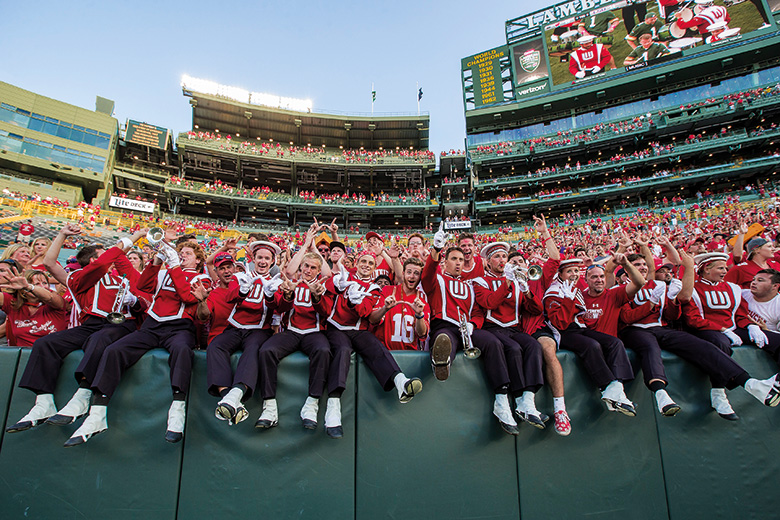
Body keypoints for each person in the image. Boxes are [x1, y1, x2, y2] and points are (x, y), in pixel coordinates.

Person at [63, 238, 209, 446]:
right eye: (181, 252)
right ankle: (98, 410)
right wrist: (157, 261)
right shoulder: (165, 272)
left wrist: (174, 264)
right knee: (115, 350)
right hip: (152, 324)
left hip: (179, 326)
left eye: (188, 254)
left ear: (198, 260)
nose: (183, 255)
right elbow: (144, 286)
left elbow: (187, 296)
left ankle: (178, 408)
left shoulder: (202, 277)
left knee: (182, 350)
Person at [5, 224, 146, 434]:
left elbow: (144, 305)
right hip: (91, 324)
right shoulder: (79, 278)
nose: (111, 258)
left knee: (100, 339)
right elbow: (50, 263)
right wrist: (62, 234)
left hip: (120, 324)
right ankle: (44, 402)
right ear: (92, 261)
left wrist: (134, 300)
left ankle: (83, 394)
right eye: (103, 255)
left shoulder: (124, 277)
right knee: (46, 343)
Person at [322, 250, 423, 438]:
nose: (366, 265)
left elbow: (365, 312)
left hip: (359, 330)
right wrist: (337, 284)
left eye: (370, 263)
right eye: (363, 261)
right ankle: (333, 409)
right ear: (357, 263)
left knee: (374, 344)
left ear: (374, 267)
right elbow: (326, 288)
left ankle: (400, 381)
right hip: (337, 327)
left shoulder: (375, 289)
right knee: (342, 350)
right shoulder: (344, 277)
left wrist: (353, 302)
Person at [682, 253, 780, 419]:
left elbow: (740, 314)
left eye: (725, 267)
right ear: (706, 269)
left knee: (775, 339)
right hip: (706, 329)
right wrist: (722, 329)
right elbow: (692, 319)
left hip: (734, 328)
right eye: (720, 268)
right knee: (720, 343)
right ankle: (718, 393)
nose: (725, 271)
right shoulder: (692, 288)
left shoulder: (733, 288)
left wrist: (751, 326)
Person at [544, 257, 637, 415]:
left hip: (578, 328)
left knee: (614, 342)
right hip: (563, 333)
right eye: (569, 271)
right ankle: (607, 387)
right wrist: (567, 300)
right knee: (591, 346)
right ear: (560, 274)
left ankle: (618, 390)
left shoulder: (574, 288)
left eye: (575, 271)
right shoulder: (553, 292)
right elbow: (561, 323)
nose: (573, 274)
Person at [473, 242, 547, 433]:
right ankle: (510, 399)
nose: (501, 260)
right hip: (492, 328)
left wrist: (526, 290)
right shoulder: (480, 281)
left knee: (533, 345)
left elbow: (537, 309)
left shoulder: (516, 282)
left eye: (504, 257)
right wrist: (507, 282)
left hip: (513, 329)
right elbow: (489, 302)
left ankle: (528, 400)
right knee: (513, 348)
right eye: (496, 257)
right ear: (488, 262)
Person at [209, 241, 285, 426]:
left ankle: (236, 393)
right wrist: (242, 290)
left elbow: (280, 306)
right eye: (260, 257)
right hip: (235, 327)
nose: (263, 261)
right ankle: (229, 398)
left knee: (253, 351)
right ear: (253, 259)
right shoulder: (240, 276)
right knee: (215, 346)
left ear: (273, 261)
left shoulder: (276, 281)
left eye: (267, 258)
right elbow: (229, 298)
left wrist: (270, 294)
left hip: (258, 330)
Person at [256, 252, 331, 430]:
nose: (308, 270)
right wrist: (288, 295)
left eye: (313, 268)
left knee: (323, 351)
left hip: (313, 332)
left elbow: (326, 312)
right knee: (267, 350)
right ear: (301, 267)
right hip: (291, 331)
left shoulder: (323, 286)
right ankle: (269, 406)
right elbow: (279, 308)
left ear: (319, 270)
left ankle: (312, 403)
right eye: (306, 266)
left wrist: (316, 297)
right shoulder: (291, 283)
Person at [370, 257, 430, 351]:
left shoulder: (422, 302)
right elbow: (372, 319)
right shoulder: (387, 290)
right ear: (403, 273)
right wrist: (385, 308)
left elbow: (422, 334)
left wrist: (419, 315)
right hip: (384, 352)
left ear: (420, 277)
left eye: (416, 273)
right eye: (409, 272)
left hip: (410, 355)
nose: (412, 276)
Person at [0, 269, 67, 347]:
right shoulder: (12, 303)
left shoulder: (56, 302)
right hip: (23, 355)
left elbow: (49, 297)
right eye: (36, 284)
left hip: (52, 355)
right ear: (22, 289)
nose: (42, 286)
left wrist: (29, 287)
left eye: (45, 283)